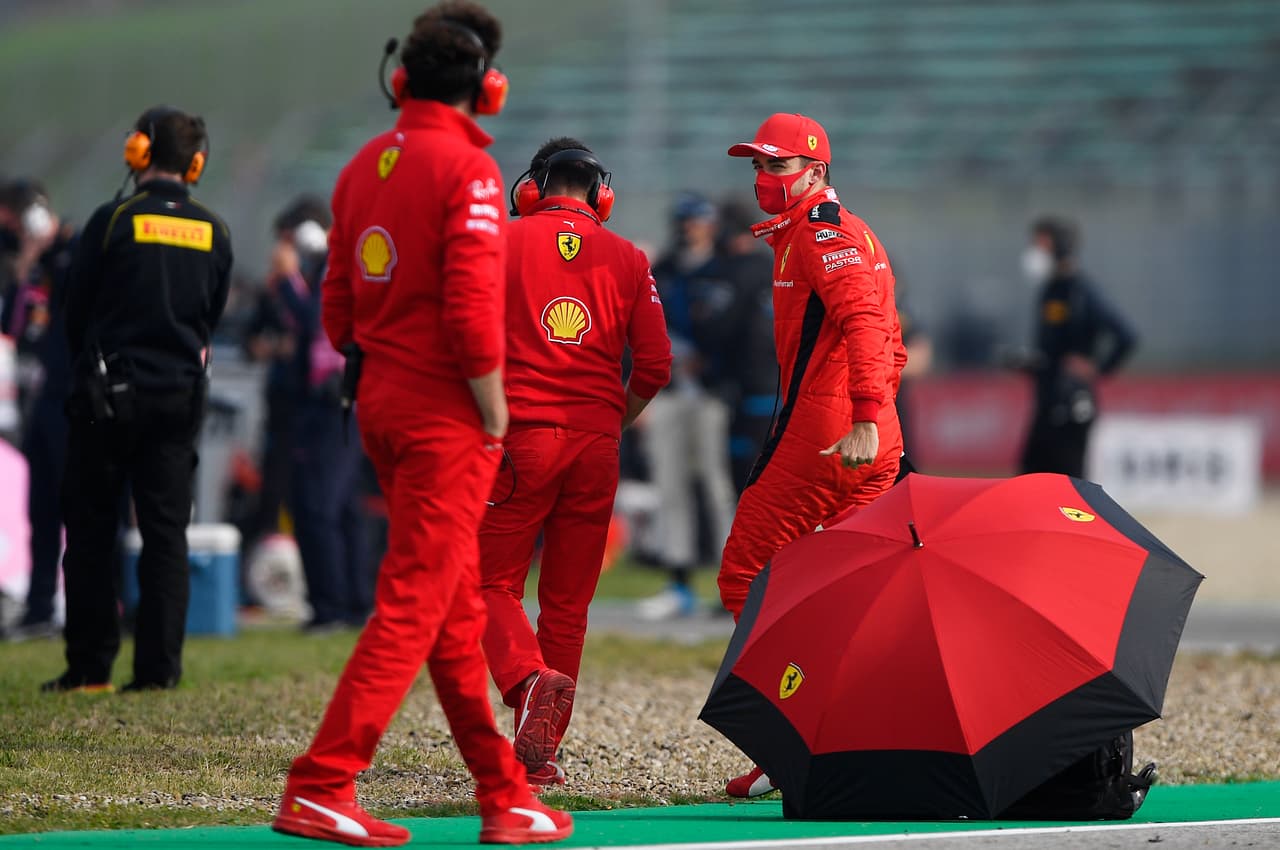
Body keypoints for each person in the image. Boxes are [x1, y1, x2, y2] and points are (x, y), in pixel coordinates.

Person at [273, 4, 573, 846]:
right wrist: (493, 408)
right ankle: (322, 783)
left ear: (401, 81)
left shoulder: (362, 165)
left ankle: (503, 792)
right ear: (490, 90)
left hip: (379, 407)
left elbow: (337, 312)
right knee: (415, 601)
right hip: (447, 419)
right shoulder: (472, 172)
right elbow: (474, 313)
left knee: (447, 613)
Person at [720, 113, 907, 797]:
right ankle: (864, 733)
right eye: (757, 166)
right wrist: (880, 414)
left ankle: (794, 739)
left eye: (776, 166)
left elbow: (863, 321)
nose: (763, 178)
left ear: (816, 170)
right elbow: (893, 338)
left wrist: (861, 417)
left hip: (828, 436)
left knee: (747, 576)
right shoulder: (846, 230)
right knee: (846, 591)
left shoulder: (823, 233)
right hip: (869, 431)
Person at [479, 137, 672, 787]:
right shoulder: (630, 257)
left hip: (520, 440)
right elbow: (656, 366)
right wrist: (611, 421)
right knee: (567, 605)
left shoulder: (499, 242)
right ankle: (542, 757)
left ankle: (529, 681)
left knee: (484, 585)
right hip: (597, 445)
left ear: (531, 188)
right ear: (600, 196)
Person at [44, 105, 232, 692]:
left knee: (93, 528)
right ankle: (157, 672)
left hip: (108, 397)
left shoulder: (112, 220)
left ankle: (91, 667)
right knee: (165, 533)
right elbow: (212, 315)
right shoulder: (214, 230)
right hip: (179, 399)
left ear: (139, 153)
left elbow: (75, 314)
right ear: (195, 163)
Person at [269, 196, 373, 632]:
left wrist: (289, 281)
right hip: (335, 401)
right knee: (343, 506)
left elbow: (318, 319)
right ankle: (350, 602)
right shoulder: (325, 266)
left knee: (320, 505)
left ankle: (330, 606)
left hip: (335, 402)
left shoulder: (331, 265)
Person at [635, 193, 738, 620]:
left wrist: (710, 362)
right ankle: (678, 583)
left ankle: (733, 581)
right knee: (670, 485)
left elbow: (736, 331)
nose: (696, 229)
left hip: (711, 393)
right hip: (673, 390)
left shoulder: (726, 271)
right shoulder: (667, 271)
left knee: (718, 488)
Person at [0, 180, 77, 640]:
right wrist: (25, 265)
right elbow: (11, 323)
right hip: (40, 402)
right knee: (41, 507)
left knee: (78, 506)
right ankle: (39, 607)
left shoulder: (74, 253)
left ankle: (90, 602)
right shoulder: (30, 270)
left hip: (73, 402)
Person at [1018, 216, 1137, 478]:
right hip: (1047, 401)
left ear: (1060, 248)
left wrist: (1098, 368)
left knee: (1069, 481)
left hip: (1072, 403)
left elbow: (1127, 336)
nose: (1035, 254)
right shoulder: (1050, 290)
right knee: (1030, 475)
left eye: (1042, 247)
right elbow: (1052, 349)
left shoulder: (1081, 292)